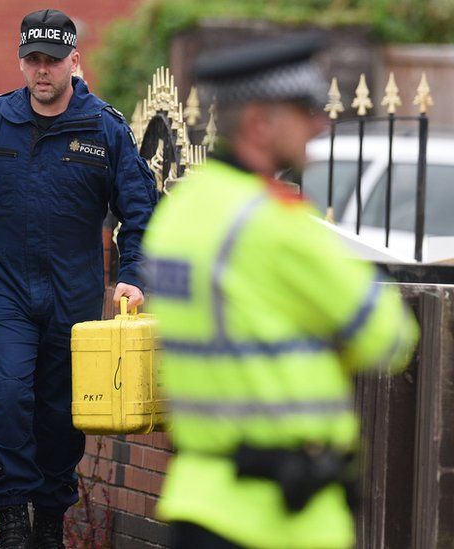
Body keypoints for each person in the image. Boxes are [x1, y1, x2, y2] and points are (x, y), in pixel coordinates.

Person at [144, 34, 420, 548]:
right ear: (259, 121)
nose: (322, 122)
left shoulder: (179, 215)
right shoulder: (273, 223)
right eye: (306, 108)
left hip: (199, 498)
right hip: (277, 518)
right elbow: (389, 338)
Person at [0, 8, 156, 548]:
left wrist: (131, 273)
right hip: (5, 287)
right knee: (5, 394)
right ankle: (12, 517)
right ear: (21, 62)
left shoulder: (104, 128)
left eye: (53, 61)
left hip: (72, 292)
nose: (42, 71)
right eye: (33, 60)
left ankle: (50, 521)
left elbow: (140, 208)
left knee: (60, 411)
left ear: (73, 62)